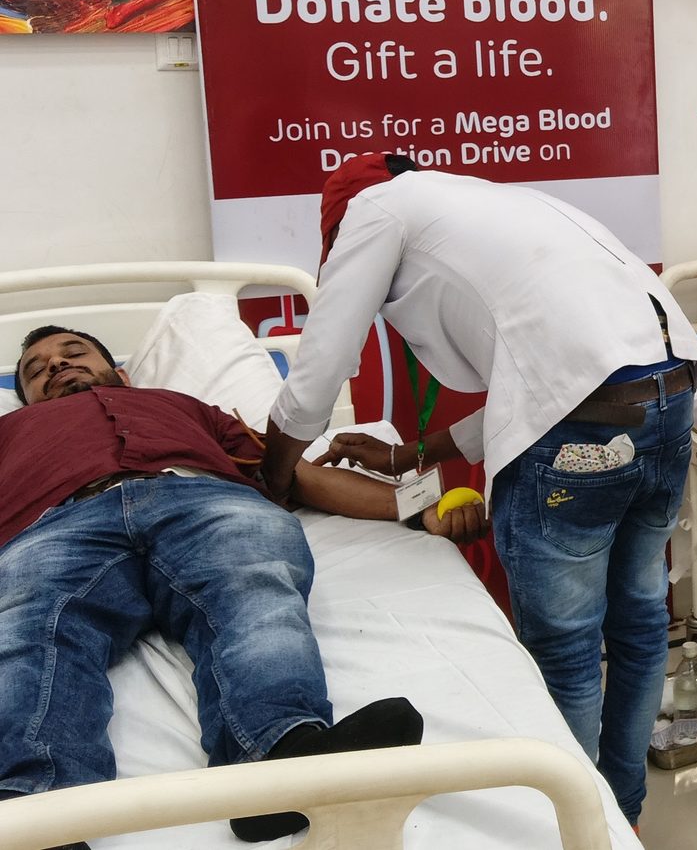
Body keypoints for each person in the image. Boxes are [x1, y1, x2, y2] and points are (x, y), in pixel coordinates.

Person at [262, 153, 697, 825]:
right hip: (669, 400)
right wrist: (410, 455)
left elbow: (318, 372)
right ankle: (624, 810)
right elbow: (546, 385)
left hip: (582, 431)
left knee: (566, 650)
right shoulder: (491, 202)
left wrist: (274, 475)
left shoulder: (375, 210)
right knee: (641, 620)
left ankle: (583, 830)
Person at [1, 325, 434, 848]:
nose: (56, 365)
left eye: (74, 353)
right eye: (35, 369)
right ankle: (34, 811)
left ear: (121, 373)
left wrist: (417, 507)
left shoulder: (186, 407)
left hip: (199, 498)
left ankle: (283, 762)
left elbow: (290, 472)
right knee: (29, 628)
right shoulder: (10, 433)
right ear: (23, 397)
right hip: (57, 524)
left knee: (254, 589)